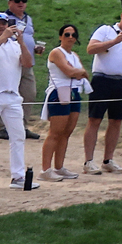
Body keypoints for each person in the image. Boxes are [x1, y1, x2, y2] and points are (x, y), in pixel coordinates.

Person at [0, 10, 37, 190]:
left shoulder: (15, 45)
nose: (2, 27)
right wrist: (2, 38)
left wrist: (21, 42)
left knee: (18, 136)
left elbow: (28, 63)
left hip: (12, 96)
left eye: (4, 24)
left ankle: (18, 177)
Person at [82, 6, 122, 174]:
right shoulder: (105, 30)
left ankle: (108, 159)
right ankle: (88, 161)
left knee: (116, 121)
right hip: (102, 79)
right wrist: (115, 41)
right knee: (94, 119)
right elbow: (91, 49)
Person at [41, 23, 88, 180]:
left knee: (66, 132)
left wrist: (78, 72)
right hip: (59, 92)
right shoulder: (56, 52)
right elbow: (69, 72)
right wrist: (78, 72)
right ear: (61, 37)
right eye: (67, 34)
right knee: (55, 132)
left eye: (73, 35)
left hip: (73, 92)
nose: (70, 37)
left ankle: (59, 166)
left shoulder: (73, 55)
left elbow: (79, 72)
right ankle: (45, 170)